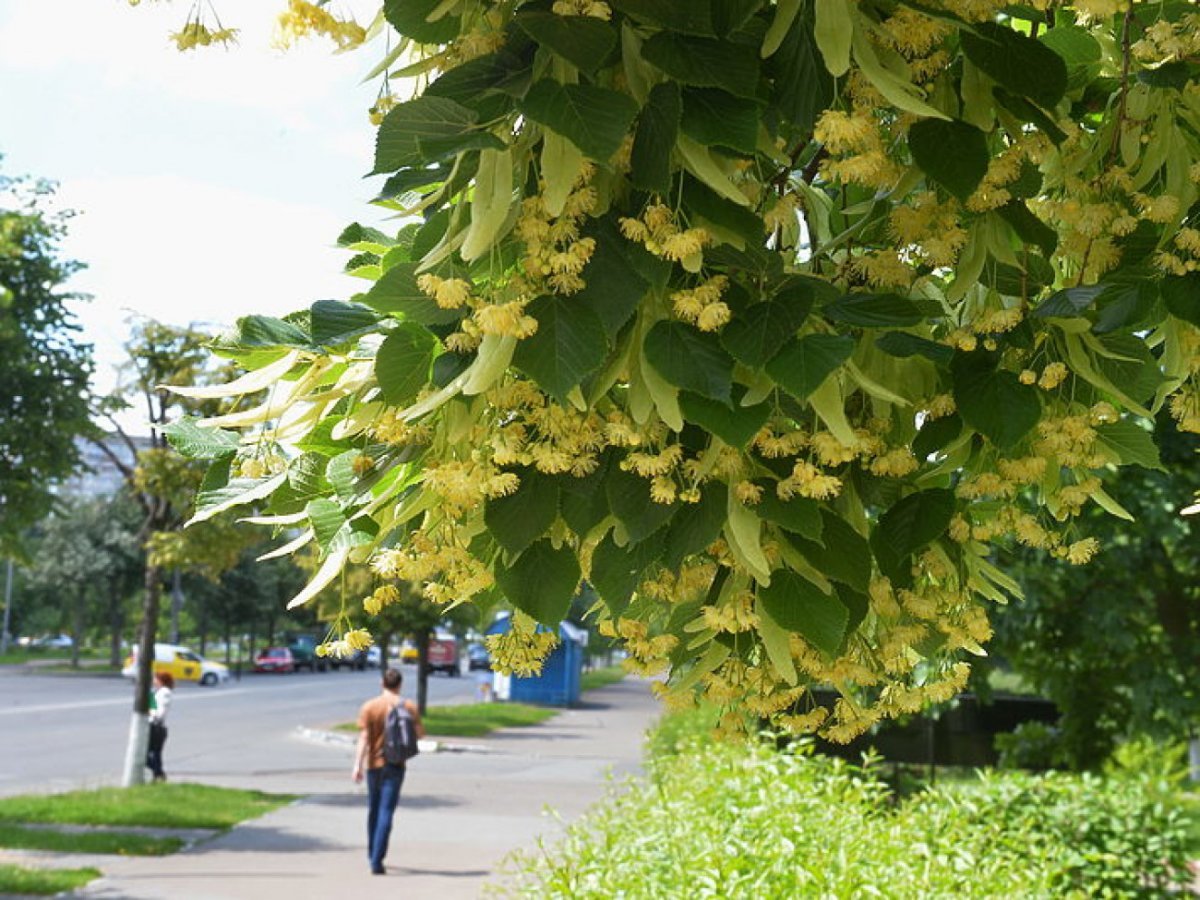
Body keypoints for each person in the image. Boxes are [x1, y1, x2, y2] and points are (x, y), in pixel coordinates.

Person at [353, 667, 423, 875]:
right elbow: (420, 734)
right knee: (386, 811)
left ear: (382, 683)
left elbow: (364, 737)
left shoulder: (370, 707)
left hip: (373, 765)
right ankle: (377, 859)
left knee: (374, 809)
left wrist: (357, 764)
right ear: (399, 685)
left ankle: (371, 854)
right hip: (396, 765)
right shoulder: (409, 706)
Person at [146, 671, 174, 782]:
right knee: (155, 755)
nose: (154, 681)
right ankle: (157, 775)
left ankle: (159, 773)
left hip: (156, 727)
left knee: (147, 754)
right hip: (154, 726)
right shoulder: (157, 692)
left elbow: (159, 713)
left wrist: (149, 711)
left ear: (161, 680)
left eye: (156, 678)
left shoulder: (165, 692)